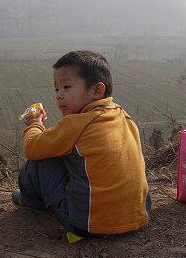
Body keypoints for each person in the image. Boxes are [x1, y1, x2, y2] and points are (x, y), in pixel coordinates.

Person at [13, 50, 151, 237]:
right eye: (56, 89)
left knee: (37, 163)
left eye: (67, 87)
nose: (59, 95)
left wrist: (34, 126)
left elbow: (33, 148)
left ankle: (30, 201)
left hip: (89, 224)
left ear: (96, 91)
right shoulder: (124, 117)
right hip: (139, 216)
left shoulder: (77, 124)